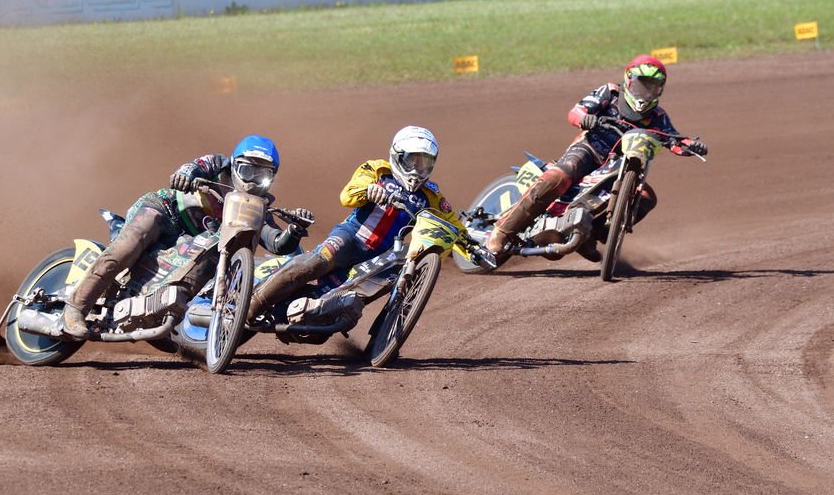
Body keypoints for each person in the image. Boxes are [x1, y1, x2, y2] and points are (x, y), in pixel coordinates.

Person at [62, 135, 313, 339]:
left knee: (211, 257)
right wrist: (185, 176)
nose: (252, 181)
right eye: (247, 170)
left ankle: (168, 309)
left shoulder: (258, 211)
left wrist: (295, 230)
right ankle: (75, 308)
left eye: (262, 174)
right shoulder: (215, 164)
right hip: (166, 212)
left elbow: (277, 244)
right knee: (130, 242)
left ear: (272, 177)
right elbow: (192, 167)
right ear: (234, 164)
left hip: (191, 244)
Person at [486, 54, 708, 261]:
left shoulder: (658, 116)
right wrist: (586, 119)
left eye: (653, 87)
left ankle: (590, 236)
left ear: (660, 90)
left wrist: (691, 146)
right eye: (642, 84)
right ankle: (501, 232)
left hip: (620, 166)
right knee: (558, 178)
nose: (646, 92)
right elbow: (576, 112)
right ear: (629, 81)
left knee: (647, 197)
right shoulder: (610, 94)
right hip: (589, 149)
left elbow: (674, 141)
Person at [245, 125, 466, 322]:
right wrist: (369, 191)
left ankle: (381, 334)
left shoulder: (432, 196)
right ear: (398, 156)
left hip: (382, 257)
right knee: (317, 262)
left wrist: (474, 248)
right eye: (413, 160)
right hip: (351, 236)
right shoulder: (377, 170)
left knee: (341, 299)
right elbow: (347, 196)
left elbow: (453, 227)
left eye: (425, 162)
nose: (418, 169)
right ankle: (253, 304)